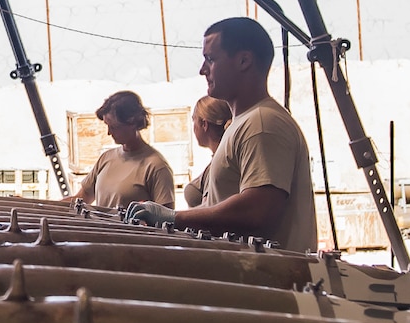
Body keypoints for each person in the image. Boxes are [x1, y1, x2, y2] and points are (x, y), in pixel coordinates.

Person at [130, 18, 318, 251]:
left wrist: (174, 218)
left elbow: (257, 211)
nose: (202, 69)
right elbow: (217, 204)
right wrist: (170, 216)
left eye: (210, 59)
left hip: (267, 281)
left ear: (243, 61)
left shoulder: (262, 124)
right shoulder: (244, 123)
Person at [69, 90, 176, 210]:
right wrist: (48, 207)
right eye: (107, 125)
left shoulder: (156, 167)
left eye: (114, 127)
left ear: (132, 123)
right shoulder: (106, 158)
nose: (109, 132)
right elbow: (83, 197)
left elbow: (167, 219)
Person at [182, 96, 232, 208]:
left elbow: (208, 208)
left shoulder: (220, 162)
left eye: (193, 120)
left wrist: (173, 216)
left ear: (204, 124)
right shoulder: (220, 158)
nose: (193, 127)